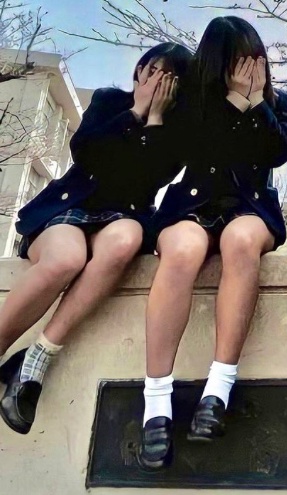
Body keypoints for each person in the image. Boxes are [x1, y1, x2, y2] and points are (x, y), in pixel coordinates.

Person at [0, 42, 191, 435]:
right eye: (152, 69)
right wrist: (135, 113)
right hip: (69, 209)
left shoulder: (178, 131)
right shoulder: (108, 101)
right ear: (139, 70)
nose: (157, 80)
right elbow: (87, 153)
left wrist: (155, 120)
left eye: (169, 76)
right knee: (65, 260)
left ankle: (36, 359)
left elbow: (151, 179)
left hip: (125, 216)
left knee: (124, 242)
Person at [137, 16, 287, 470]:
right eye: (237, 61)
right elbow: (193, 151)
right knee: (182, 250)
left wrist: (254, 104)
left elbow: (278, 152)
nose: (248, 69)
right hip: (193, 203)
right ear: (217, 63)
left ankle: (218, 390)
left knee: (241, 241)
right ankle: (156, 402)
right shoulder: (192, 103)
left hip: (250, 208)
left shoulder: (276, 103)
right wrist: (231, 103)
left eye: (254, 58)